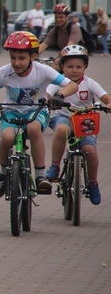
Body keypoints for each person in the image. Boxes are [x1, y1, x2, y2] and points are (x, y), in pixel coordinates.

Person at [0, 31, 77, 198]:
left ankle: (40, 177)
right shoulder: (4, 72)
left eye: (21, 58)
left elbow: (71, 85)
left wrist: (59, 96)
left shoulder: (43, 70)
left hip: (36, 111)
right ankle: (2, 175)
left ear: (33, 56)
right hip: (11, 111)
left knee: (33, 129)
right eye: (13, 57)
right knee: (7, 137)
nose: (16, 63)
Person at [45, 45, 109, 205]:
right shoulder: (58, 82)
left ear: (85, 67)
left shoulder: (90, 83)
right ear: (62, 67)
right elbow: (47, 93)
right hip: (64, 118)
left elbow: (106, 97)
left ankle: (93, 183)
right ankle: (55, 166)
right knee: (61, 130)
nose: (74, 70)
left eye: (78, 66)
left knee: (90, 150)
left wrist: (108, 104)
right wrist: (48, 101)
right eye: (69, 66)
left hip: (85, 121)